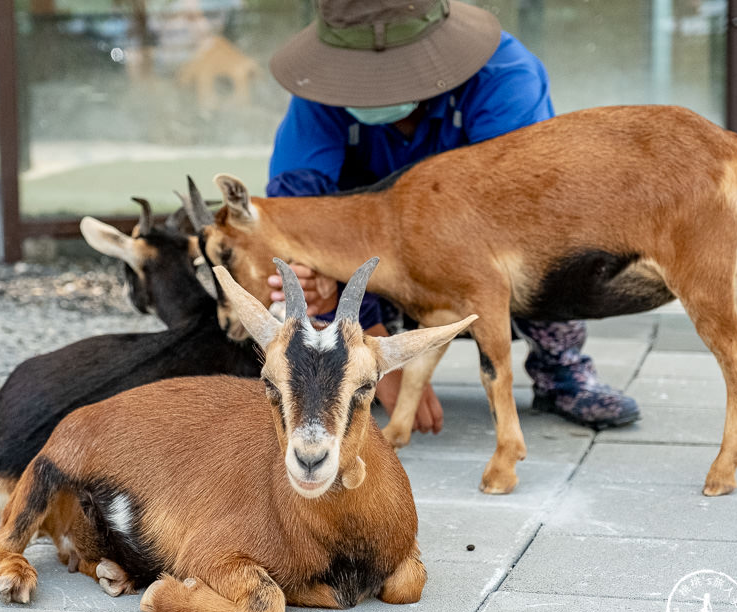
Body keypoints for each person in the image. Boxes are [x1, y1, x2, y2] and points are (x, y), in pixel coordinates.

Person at [263, 0, 640, 433]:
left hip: (488, 250)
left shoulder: (504, 76)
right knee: (293, 269)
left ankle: (562, 367)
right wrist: (372, 345)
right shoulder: (320, 91)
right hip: (370, 259)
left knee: (559, 235)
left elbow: (529, 212)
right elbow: (295, 212)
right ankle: (338, 364)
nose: (366, 87)